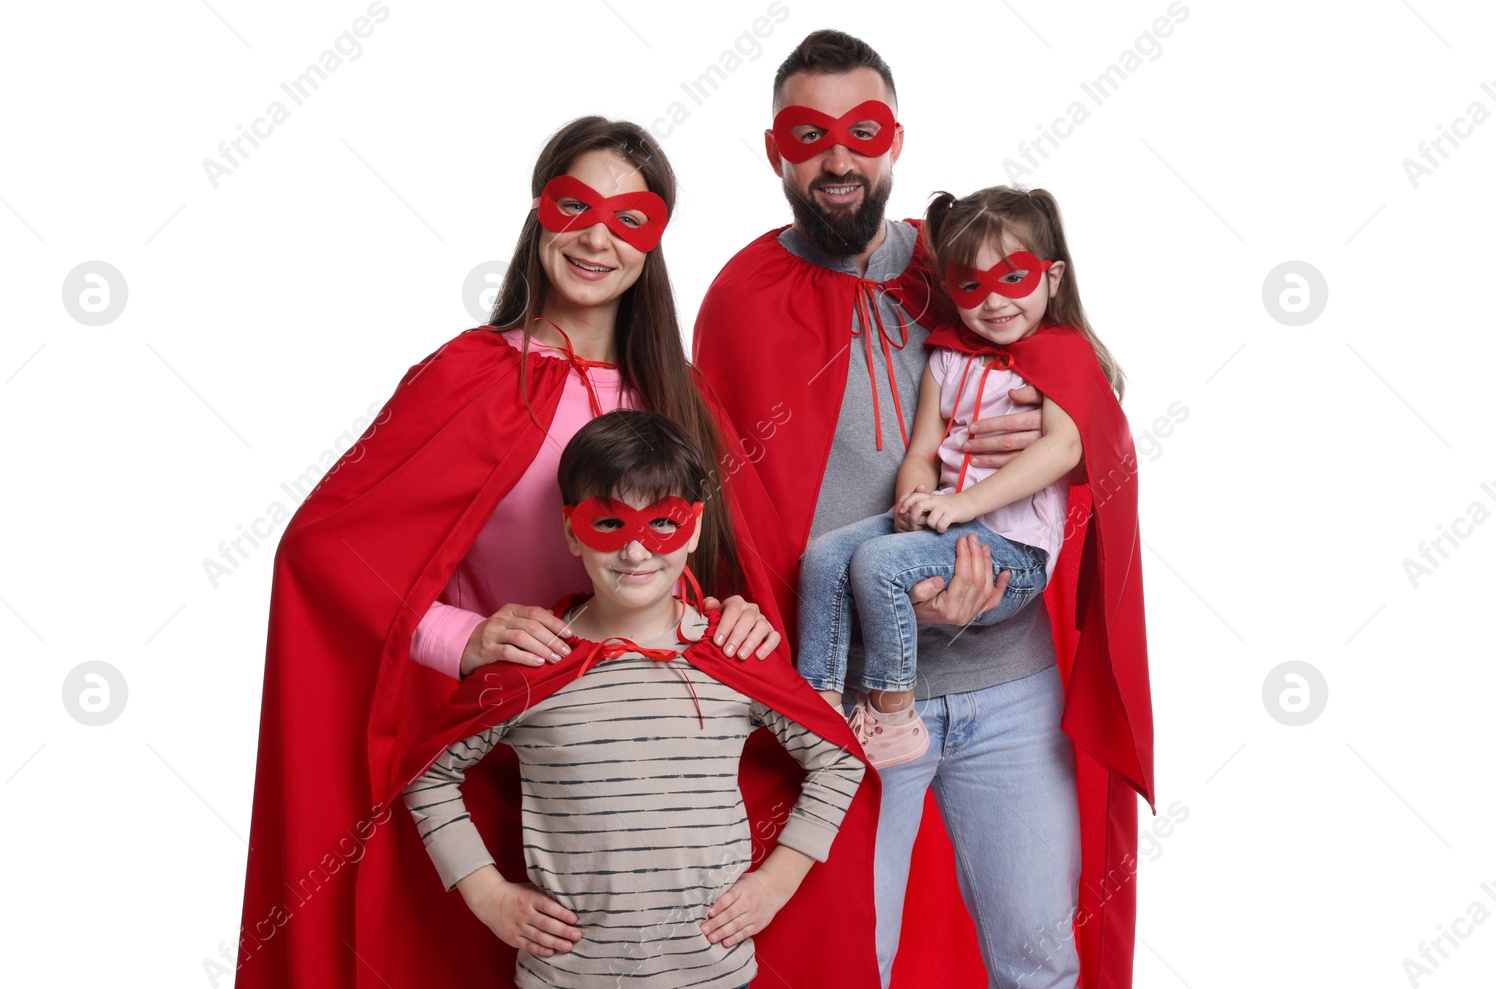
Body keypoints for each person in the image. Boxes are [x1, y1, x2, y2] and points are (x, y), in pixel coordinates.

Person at [233, 117, 853, 989]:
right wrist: (465, 637)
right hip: (495, 752)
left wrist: (738, 612)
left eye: (629, 219)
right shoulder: (472, 375)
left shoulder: (677, 396)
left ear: (656, 242)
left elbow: (711, 566)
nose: (598, 237)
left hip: (643, 768)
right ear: (540, 214)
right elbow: (324, 550)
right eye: (576, 206)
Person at [693, 30, 1154, 989]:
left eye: (863, 131)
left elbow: (1085, 396)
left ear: (896, 141)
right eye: (809, 133)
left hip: (1011, 688)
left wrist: (1047, 421)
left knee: (1037, 956)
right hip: (861, 706)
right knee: (846, 957)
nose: (839, 157)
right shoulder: (741, 296)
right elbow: (728, 503)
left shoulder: (958, 261)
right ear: (776, 149)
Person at [400, 410, 873, 989]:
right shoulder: (534, 660)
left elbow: (839, 757)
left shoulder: (730, 649)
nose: (635, 552)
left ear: (695, 529)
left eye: (662, 524)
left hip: (713, 976)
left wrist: (776, 882)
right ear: (572, 531)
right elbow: (428, 774)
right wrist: (486, 892)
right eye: (609, 524)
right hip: (564, 978)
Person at [794, 185, 1125, 770]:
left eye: (1013, 279)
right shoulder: (946, 357)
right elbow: (922, 451)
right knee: (823, 558)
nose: (994, 301)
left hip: (1011, 552)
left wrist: (964, 504)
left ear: (1052, 278)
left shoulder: (1065, 357)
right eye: (972, 286)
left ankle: (891, 716)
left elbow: (1062, 446)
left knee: (877, 565)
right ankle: (815, 709)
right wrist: (913, 501)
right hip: (945, 528)